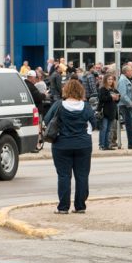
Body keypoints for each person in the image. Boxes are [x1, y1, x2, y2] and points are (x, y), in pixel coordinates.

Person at [44, 79, 95, 214]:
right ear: (80, 91)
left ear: (65, 90)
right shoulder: (86, 106)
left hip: (62, 144)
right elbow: (94, 123)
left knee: (64, 176)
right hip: (83, 144)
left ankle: (63, 207)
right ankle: (80, 206)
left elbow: (47, 120)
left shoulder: (58, 105)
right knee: (82, 176)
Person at [96, 73, 120, 150]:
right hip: (104, 112)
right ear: (105, 80)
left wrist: (117, 98)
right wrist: (111, 97)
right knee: (104, 129)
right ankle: (102, 145)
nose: (110, 81)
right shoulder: (102, 89)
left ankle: (108, 145)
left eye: (112, 79)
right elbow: (101, 98)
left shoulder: (114, 89)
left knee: (109, 130)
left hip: (112, 112)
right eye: (109, 79)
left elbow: (117, 100)